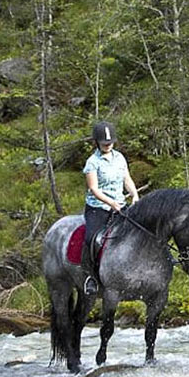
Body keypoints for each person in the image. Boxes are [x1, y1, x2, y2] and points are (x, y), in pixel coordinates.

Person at [81, 121, 139, 295]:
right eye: (104, 143)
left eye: (110, 142)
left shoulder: (120, 157)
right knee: (93, 239)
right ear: (97, 142)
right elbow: (94, 189)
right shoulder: (92, 162)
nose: (108, 145)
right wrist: (110, 203)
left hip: (120, 205)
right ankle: (90, 277)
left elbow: (126, 179)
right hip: (98, 208)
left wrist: (135, 194)